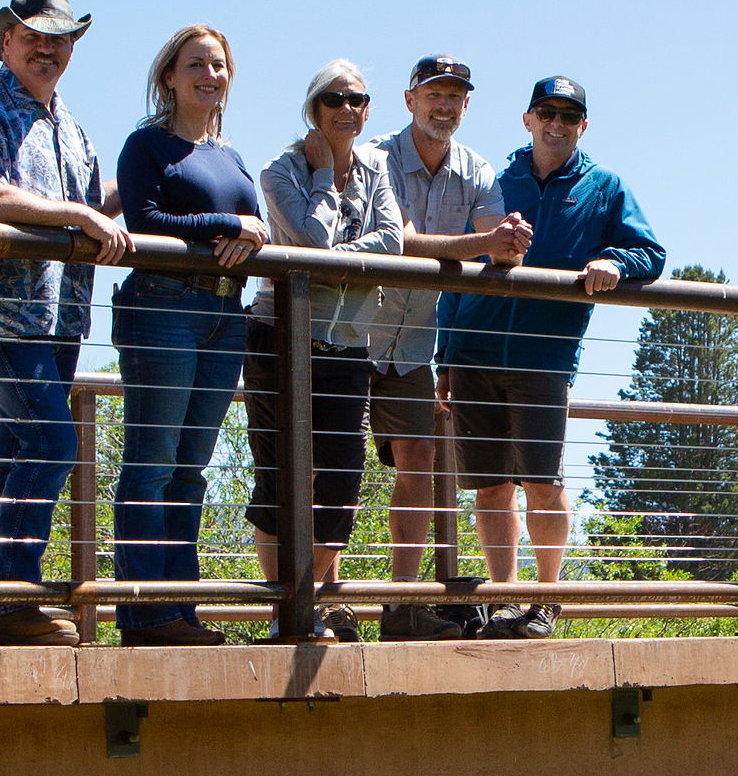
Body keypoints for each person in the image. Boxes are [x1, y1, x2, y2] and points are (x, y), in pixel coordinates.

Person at [0, 0, 133, 648]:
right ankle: (10, 598)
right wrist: (77, 213)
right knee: (50, 440)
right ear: (6, 41)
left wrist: (151, 173)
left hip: (60, 312)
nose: (47, 49)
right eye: (34, 36)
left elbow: (90, 203)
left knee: (18, 443)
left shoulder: (69, 124)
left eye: (60, 39)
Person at [432, 75, 665, 634]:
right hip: (473, 355)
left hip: (545, 358)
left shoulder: (605, 188)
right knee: (489, 486)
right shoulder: (492, 179)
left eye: (568, 116)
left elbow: (650, 252)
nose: (555, 124)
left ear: (582, 126)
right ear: (527, 120)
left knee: (543, 482)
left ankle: (546, 598)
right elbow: (455, 271)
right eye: (546, 113)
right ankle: (504, 596)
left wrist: (615, 262)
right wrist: (445, 354)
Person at [358, 55, 531, 639]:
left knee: (420, 462)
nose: (445, 105)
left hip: (412, 343)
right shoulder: (372, 155)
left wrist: (509, 242)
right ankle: (318, 603)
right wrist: (485, 239)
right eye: (435, 93)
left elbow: (501, 252)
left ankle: (402, 605)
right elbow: (397, 241)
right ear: (409, 100)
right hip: (345, 333)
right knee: (327, 466)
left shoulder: (477, 170)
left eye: (456, 95)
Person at [107, 25, 268, 645]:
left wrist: (251, 234)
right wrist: (229, 222)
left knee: (191, 471)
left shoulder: (230, 155)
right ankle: (146, 615)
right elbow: (146, 217)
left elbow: (255, 230)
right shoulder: (147, 145)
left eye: (219, 65)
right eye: (195, 64)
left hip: (224, 316)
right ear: (169, 77)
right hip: (162, 308)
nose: (209, 75)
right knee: (152, 464)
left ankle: (181, 609)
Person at [241, 61, 405, 640]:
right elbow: (312, 241)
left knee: (341, 477)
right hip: (279, 338)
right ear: (313, 107)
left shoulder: (378, 168)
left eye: (359, 99)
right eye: (335, 98)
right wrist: (322, 179)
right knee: (281, 475)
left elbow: (394, 239)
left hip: (348, 342)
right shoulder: (278, 170)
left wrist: (342, 256)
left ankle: (315, 598)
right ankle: (290, 610)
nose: (348, 109)